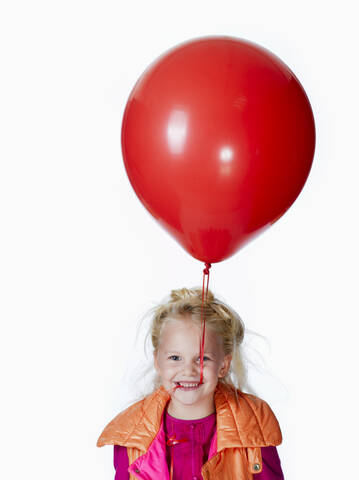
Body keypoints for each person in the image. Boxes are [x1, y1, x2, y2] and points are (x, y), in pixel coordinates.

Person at [97, 287, 285, 479]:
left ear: (223, 365)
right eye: (175, 357)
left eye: (202, 359)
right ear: (157, 361)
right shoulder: (130, 436)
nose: (188, 371)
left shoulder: (253, 426)